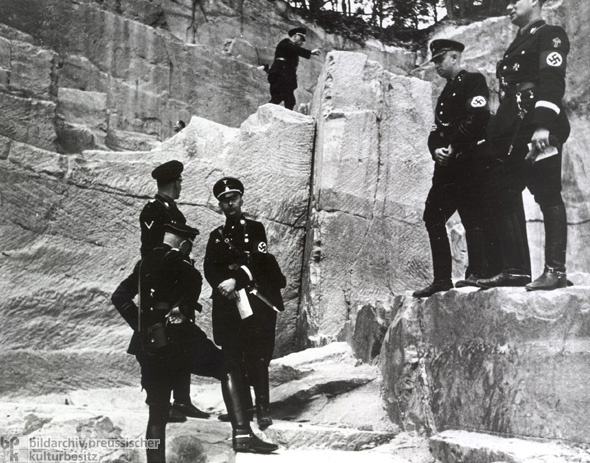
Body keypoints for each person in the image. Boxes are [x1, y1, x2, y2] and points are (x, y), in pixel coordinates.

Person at [111, 223, 279, 460]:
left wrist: (142, 326)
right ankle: (242, 434)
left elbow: (119, 297)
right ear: (184, 244)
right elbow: (187, 301)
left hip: (148, 344)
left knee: (157, 415)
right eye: (189, 247)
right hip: (180, 342)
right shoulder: (186, 269)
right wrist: (181, 308)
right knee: (230, 367)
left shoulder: (143, 264)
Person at [476, 0, 570, 290]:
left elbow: (551, 79)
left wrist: (542, 125)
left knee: (547, 194)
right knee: (502, 190)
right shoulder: (516, 44)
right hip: (511, 130)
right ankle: (515, 270)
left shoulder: (551, 34)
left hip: (535, 127)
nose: (508, 7)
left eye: (514, 1)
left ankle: (555, 271)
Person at [413, 39, 500, 298]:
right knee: (434, 215)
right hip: (448, 167)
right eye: (435, 60)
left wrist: (452, 144)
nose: (437, 65)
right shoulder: (443, 95)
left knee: (471, 216)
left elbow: (478, 117)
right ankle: (442, 279)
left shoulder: (474, 81)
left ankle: (476, 272)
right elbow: (434, 131)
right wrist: (436, 149)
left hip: (470, 161)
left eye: (440, 59)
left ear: (454, 58)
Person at [204, 177, 286, 430]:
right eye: (224, 201)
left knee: (257, 355)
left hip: (253, 302)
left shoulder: (255, 229)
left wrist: (235, 280)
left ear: (241, 199)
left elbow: (260, 263)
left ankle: (262, 409)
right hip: (228, 304)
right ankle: (240, 409)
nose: (230, 204)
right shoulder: (216, 236)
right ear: (219, 205)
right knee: (232, 355)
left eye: (234, 198)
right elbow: (210, 268)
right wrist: (223, 285)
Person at [138, 160, 207, 421]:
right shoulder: (153, 210)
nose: (181, 185)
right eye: (180, 180)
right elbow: (153, 254)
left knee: (181, 340)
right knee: (162, 343)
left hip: (177, 285)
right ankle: (161, 402)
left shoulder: (172, 211)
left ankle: (182, 400)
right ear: (175, 181)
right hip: (162, 288)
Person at [267, 27, 321, 110]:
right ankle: (265, 114)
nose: (302, 42)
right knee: (281, 98)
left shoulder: (290, 47)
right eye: (301, 39)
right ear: (295, 36)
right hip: (280, 75)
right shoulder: (285, 43)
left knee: (288, 100)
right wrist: (310, 52)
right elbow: (294, 49)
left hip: (284, 76)